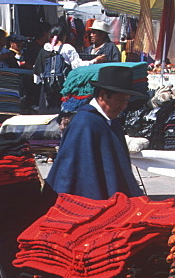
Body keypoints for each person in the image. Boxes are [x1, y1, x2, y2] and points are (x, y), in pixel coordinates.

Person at [44, 65, 145, 200]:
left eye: (126, 100)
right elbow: (70, 169)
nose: (123, 106)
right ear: (102, 96)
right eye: (120, 100)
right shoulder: (85, 123)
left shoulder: (112, 122)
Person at [34, 25, 85, 112]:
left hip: (47, 91)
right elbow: (78, 66)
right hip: (64, 88)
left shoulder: (44, 49)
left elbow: (37, 75)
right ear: (64, 36)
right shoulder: (67, 48)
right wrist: (94, 61)